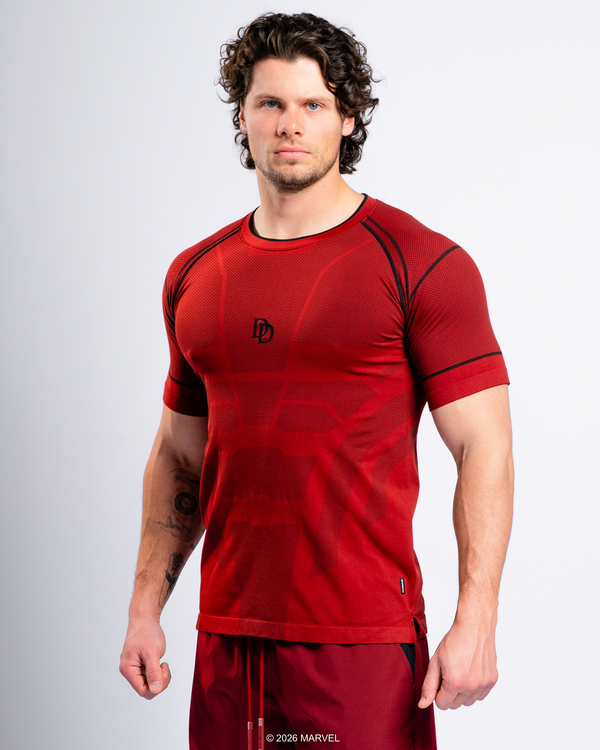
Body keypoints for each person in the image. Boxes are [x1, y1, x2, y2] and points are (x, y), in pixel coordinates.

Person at [119, 12, 514, 750]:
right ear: (242, 116)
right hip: (227, 637)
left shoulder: (422, 263)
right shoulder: (195, 275)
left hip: (360, 641)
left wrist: (478, 618)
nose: (290, 124)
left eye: (313, 104)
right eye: (270, 102)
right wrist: (146, 608)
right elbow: (179, 453)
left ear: (348, 117)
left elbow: (484, 448)